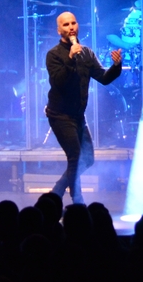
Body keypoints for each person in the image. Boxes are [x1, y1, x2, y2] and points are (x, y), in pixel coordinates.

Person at [46, 11, 122, 204]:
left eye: (73, 23)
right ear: (59, 30)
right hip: (59, 115)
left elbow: (104, 78)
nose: (71, 27)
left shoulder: (86, 53)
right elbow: (59, 83)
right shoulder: (54, 55)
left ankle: (56, 192)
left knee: (87, 159)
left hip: (78, 116)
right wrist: (70, 57)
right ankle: (77, 201)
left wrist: (116, 66)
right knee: (75, 156)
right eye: (66, 25)